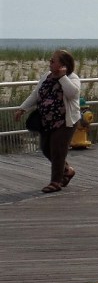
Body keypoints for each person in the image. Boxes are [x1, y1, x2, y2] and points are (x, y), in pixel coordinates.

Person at [13, 49, 81, 193]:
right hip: (47, 121)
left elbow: (72, 93)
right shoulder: (46, 76)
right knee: (45, 148)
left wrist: (62, 77)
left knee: (58, 150)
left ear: (63, 65)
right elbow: (36, 94)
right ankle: (67, 171)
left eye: (53, 61)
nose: (49, 63)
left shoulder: (72, 78)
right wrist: (22, 108)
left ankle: (55, 182)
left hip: (64, 122)